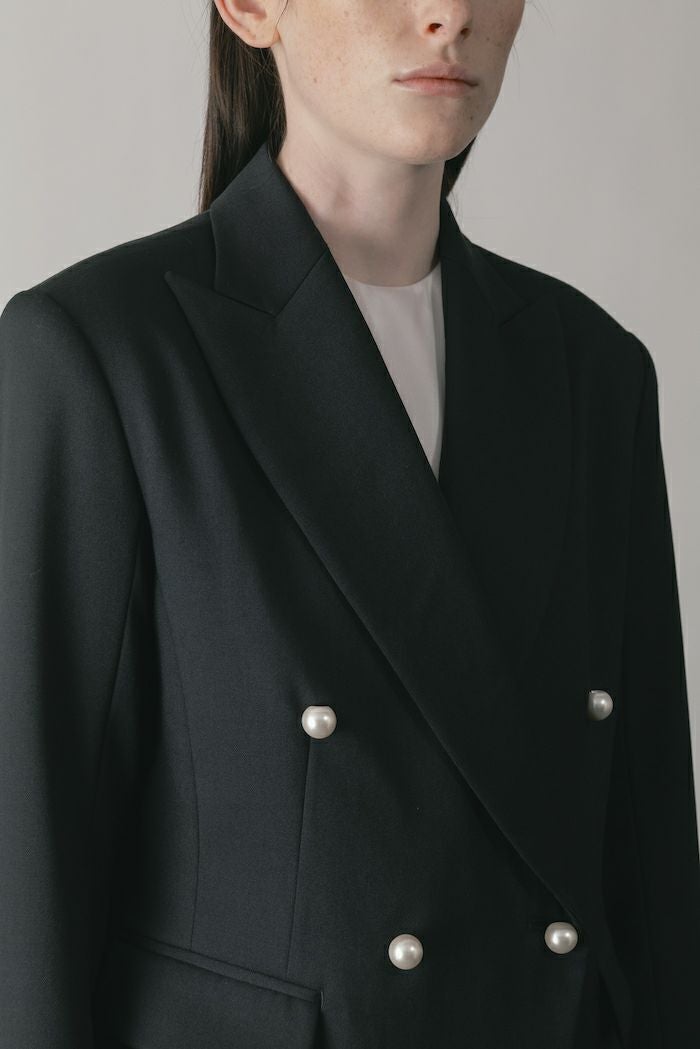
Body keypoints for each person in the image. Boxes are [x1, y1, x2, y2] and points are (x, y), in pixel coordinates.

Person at [1, 1, 698, 1047]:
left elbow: (651, 882)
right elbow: (30, 880)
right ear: (252, 8)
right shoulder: (102, 353)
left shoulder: (593, 371)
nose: (448, 14)